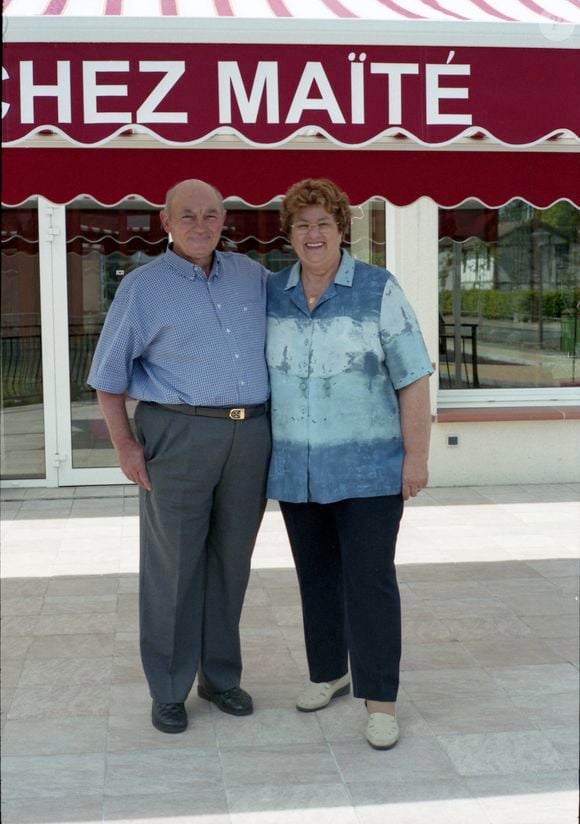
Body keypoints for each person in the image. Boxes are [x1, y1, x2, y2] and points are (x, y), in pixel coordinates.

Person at [88, 179, 271, 734]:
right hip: (179, 433)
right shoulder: (143, 287)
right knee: (174, 565)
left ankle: (220, 678)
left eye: (211, 214)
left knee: (230, 563)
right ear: (165, 222)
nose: (201, 224)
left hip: (250, 435)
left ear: (224, 220)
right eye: (187, 215)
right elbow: (108, 377)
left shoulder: (253, 276)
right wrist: (125, 445)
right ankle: (168, 687)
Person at [266, 178, 433, 750]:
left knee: (369, 582)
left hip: (370, 472)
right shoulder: (271, 293)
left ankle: (380, 699)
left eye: (324, 224)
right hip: (297, 471)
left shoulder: (378, 289)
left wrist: (417, 458)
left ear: (342, 229)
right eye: (302, 224)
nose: (313, 235)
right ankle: (328, 672)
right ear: (289, 233)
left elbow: (413, 378)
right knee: (316, 579)